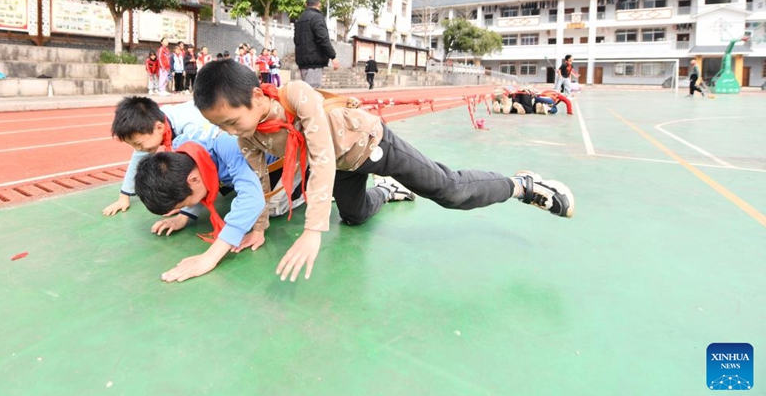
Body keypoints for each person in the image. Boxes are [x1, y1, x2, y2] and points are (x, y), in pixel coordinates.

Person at [192, 60, 575, 283]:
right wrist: (258, 227)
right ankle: (389, 192)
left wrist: (313, 230)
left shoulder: (296, 94)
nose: (230, 131)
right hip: (344, 168)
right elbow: (259, 180)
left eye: (231, 120)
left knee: (450, 191)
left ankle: (522, 185)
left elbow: (321, 157)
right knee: (356, 217)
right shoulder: (248, 135)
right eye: (221, 126)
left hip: (372, 147)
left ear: (257, 96)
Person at [134, 129, 265, 282]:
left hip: (279, 165)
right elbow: (197, 182)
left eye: (184, 204)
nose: (184, 207)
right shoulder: (180, 148)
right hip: (236, 172)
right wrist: (183, 217)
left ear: (194, 179)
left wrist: (210, 257)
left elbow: (253, 200)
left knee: (270, 210)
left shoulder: (229, 146)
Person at [102, 96, 209, 216]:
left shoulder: (192, 130)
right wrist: (123, 198)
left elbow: (201, 172)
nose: (138, 149)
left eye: (138, 144)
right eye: (132, 145)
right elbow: (137, 161)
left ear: (159, 128)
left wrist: (185, 209)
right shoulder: (153, 122)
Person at [293, 0, 339, 88]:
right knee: (312, 94)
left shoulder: (300, 19)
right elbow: (323, 38)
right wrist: (333, 56)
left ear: (306, 4)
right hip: (314, 62)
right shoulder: (316, 17)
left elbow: (296, 40)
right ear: (319, 4)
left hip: (303, 62)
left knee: (306, 93)